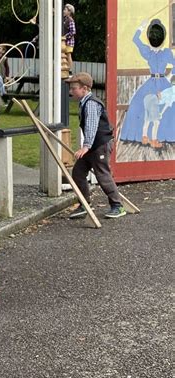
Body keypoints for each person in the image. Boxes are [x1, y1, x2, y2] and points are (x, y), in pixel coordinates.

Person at [66, 72, 126, 220]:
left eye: (74, 88)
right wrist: (87, 147)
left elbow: (92, 126)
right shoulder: (84, 102)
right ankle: (85, 204)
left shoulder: (92, 103)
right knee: (78, 173)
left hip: (100, 144)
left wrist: (85, 147)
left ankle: (117, 206)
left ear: (85, 88)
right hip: (92, 145)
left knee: (102, 174)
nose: (70, 91)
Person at [120, 19, 174, 146]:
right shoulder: (147, 52)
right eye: (153, 35)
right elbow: (135, 39)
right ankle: (141, 137)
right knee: (136, 105)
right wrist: (141, 27)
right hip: (150, 83)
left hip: (163, 82)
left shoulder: (166, 53)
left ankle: (166, 136)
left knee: (170, 107)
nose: (155, 38)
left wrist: (170, 76)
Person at [62, 4, 76, 72]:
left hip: (69, 42)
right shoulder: (65, 19)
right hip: (65, 41)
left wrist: (65, 37)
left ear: (69, 12)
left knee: (68, 55)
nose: (63, 11)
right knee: (65, 55)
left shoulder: (70, 20)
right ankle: (66, 68)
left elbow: (73, 32)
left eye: (65, 10)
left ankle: (70, 69)